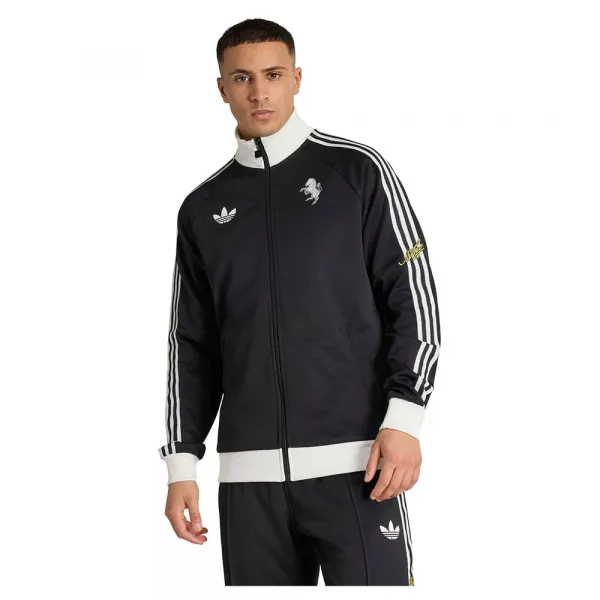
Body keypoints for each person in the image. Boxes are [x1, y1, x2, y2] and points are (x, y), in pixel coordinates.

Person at [158, 17, 441, 586]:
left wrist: (405, 418)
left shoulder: (356, 172)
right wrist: (181, 463)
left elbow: (412, 300)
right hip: (249, 479)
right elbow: (190, 343)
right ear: (221, 88)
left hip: (360, 462)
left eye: (273, 75)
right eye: (242, 78)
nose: (259, 93)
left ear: (297, 79)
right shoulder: (202, 208)